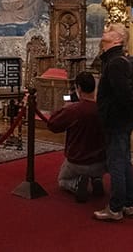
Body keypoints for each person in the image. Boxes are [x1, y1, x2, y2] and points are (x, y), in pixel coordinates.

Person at [94, 23, 133, 221]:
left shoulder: (116, 63)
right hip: (121, 118)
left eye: (110, 29)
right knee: (124, 160)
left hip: (116, 119)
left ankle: (115, 208)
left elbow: (124, 94)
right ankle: (129, 203)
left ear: (118, 39)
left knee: (116, 162)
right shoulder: (113, 60)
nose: (105, 29)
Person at [46, 72, 107, 203]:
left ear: (78, 88)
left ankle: (77, 184)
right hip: (101, 161)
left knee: (62, 180)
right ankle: (96, 178)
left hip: (78, 161)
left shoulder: (74, 110)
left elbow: (52, 125)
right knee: (95, 169)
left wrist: (64, 108)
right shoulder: (103, 109)